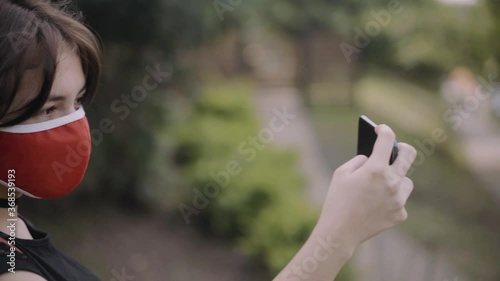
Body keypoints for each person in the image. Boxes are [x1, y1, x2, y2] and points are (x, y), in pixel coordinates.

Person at [0, 0, 417, 280]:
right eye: (49, 109)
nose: (73, 125)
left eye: (78, 101)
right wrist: (340, 234)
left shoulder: (11, 211)